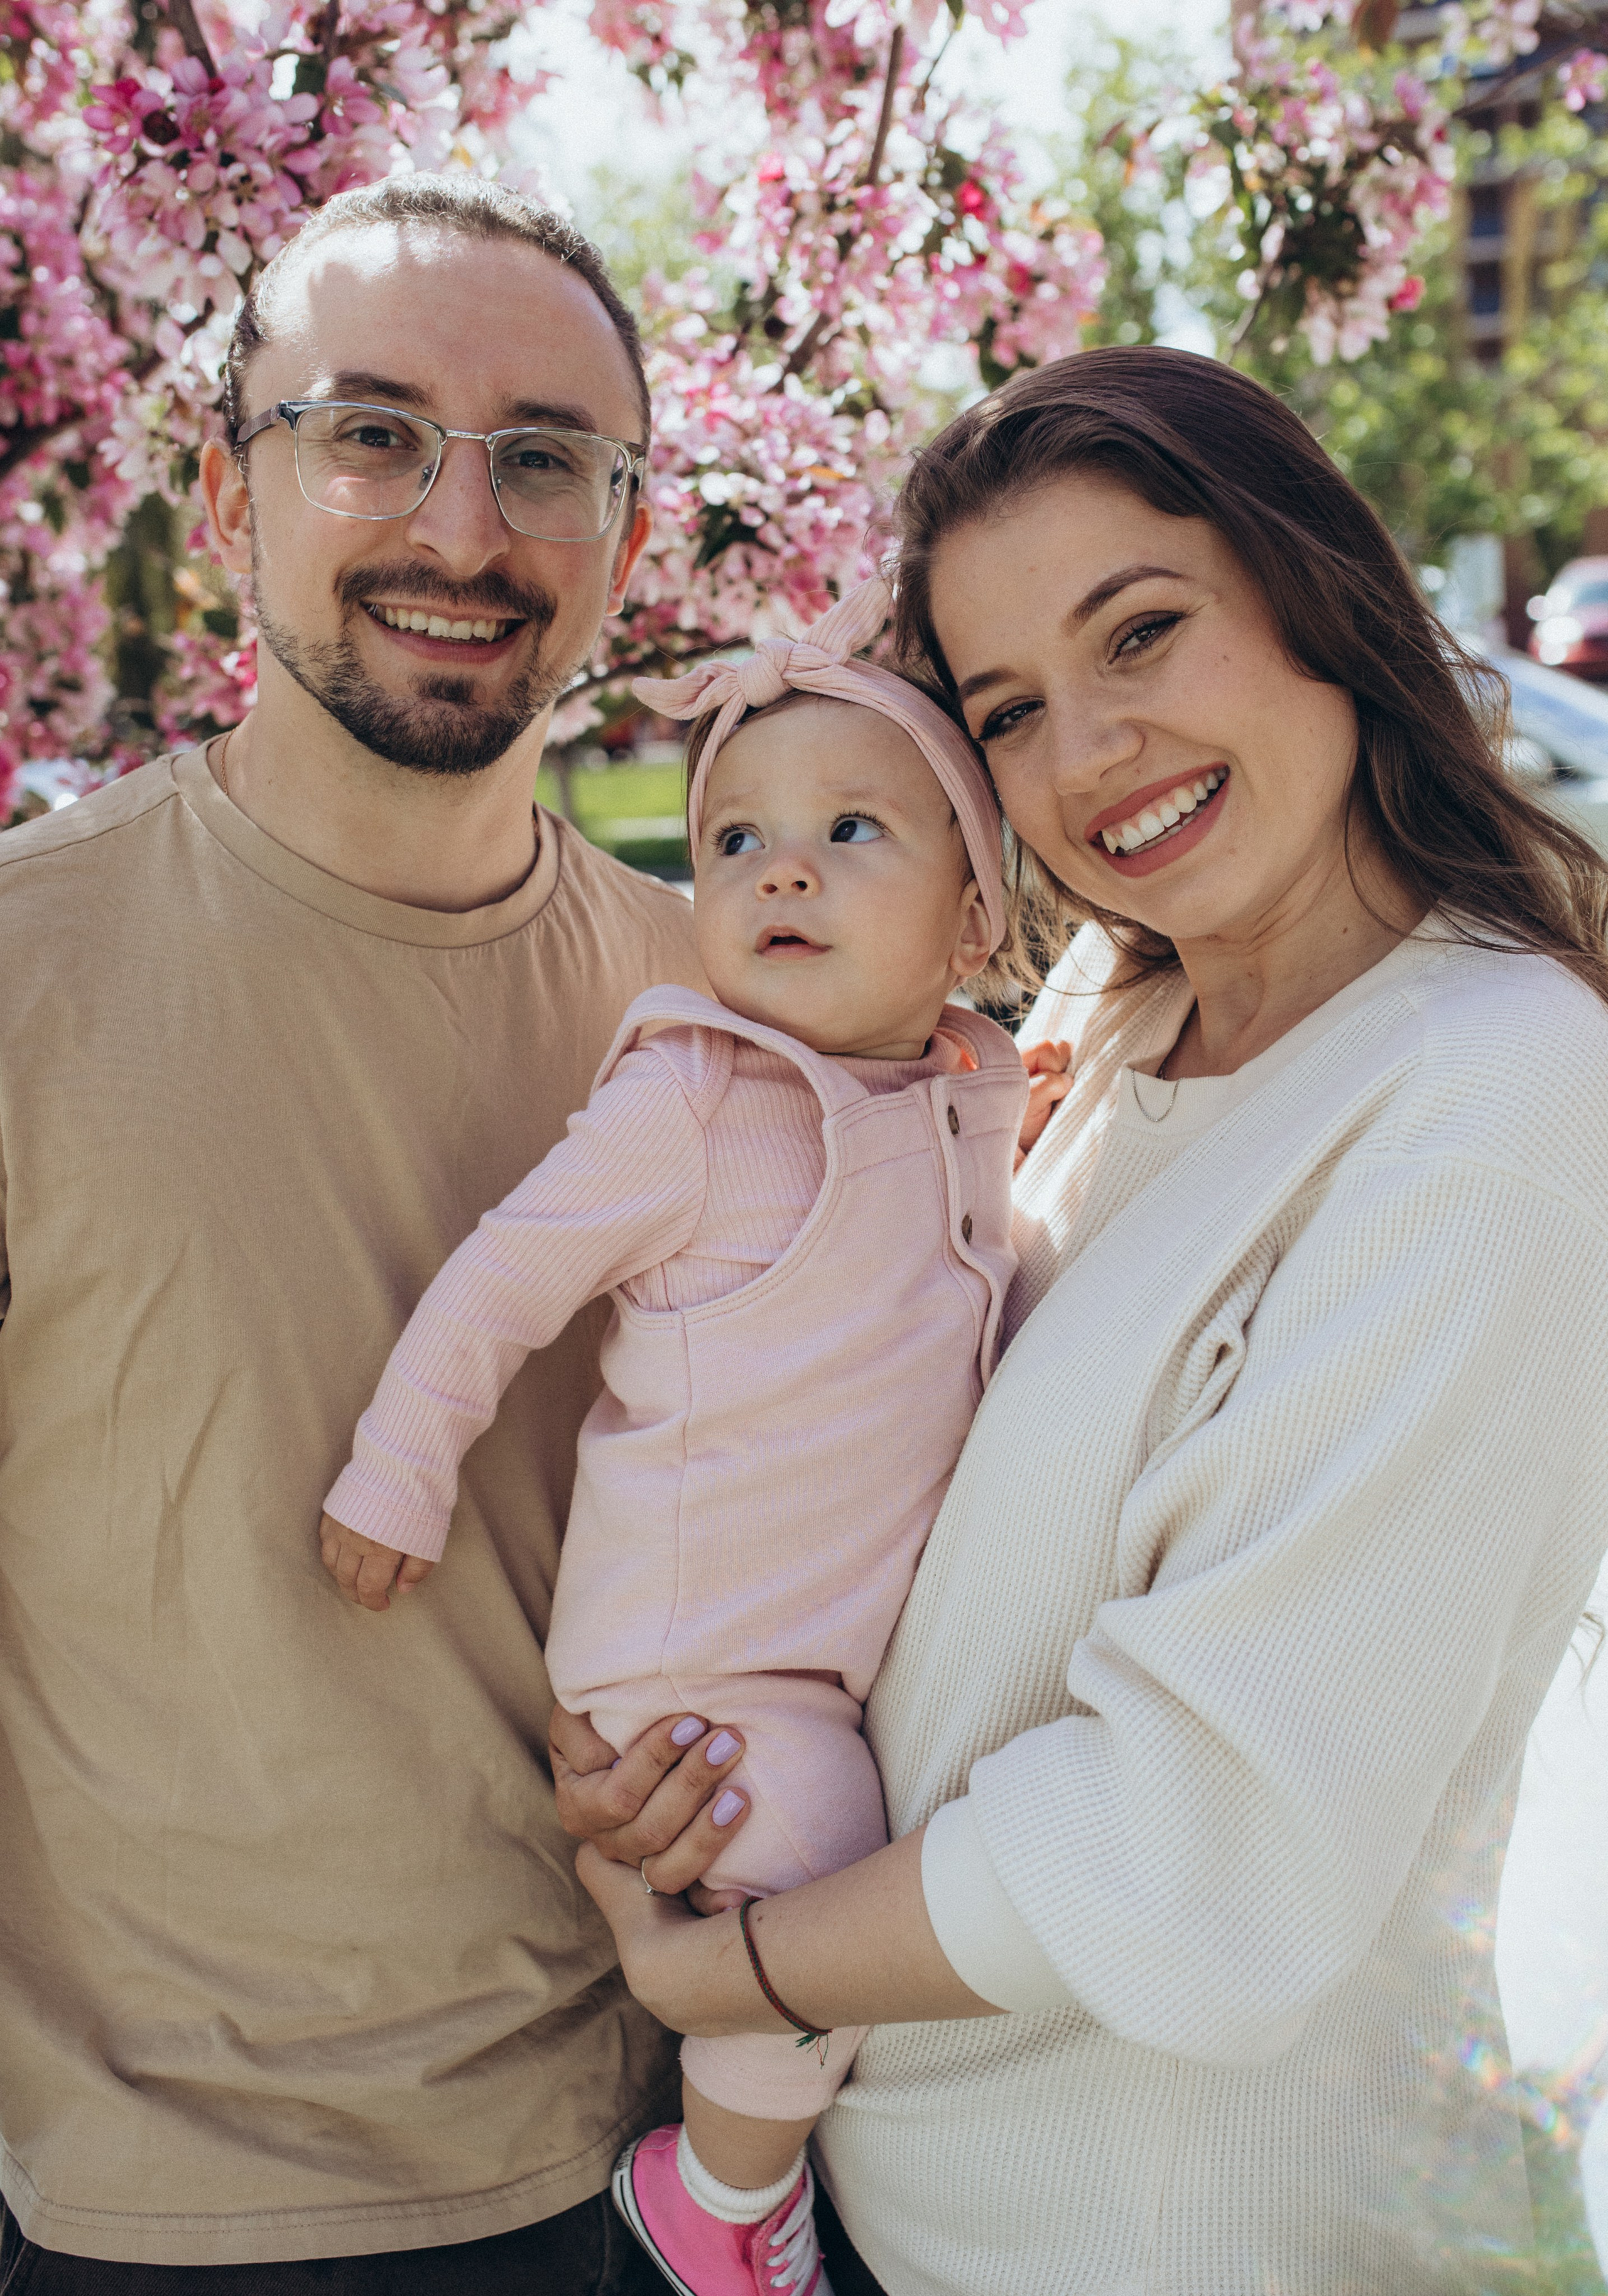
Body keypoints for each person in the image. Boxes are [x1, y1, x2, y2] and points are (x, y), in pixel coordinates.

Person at [554, 346, 1608, 2296]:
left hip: (1164, 2243)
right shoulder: (1096, 1032)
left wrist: (723, 1969)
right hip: (881, 2200)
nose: (1094, 749)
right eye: (1013, 709)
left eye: (1143, 632)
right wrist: (705, 1744)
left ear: (1314, 595)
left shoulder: (1494, 1095)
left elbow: (1206, 1833)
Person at [0, 174, 707, 2291]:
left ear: (632, 542)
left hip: (693, 2163)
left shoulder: (727, 1016)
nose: (463, 534)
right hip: (192, 2208)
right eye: (372, 432)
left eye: (546, 464)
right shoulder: (24, 981)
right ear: (230, 493)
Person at [315, 574, 1051, 2296]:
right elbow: (501, 1282)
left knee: (845, 1872)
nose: (778, 870)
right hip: (702, 1668)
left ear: (969, 929)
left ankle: (741, 2158)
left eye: (852, 831)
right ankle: (722, 2204)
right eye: (733, 842)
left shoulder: (965, 1098)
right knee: (817, 1881)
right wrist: (397, 1468)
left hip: (825, 1646)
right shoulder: (700, 1104)